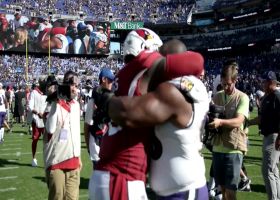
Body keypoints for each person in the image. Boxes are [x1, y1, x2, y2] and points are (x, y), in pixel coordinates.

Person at [88, 28, 204, 200]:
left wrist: (106, 101)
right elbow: (196, 60)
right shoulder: (147, 68)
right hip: (123, 175)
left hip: (111, 173)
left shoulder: (124, 74)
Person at [98, 75, 210, 199]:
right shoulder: (171, 88)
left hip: (184, 190)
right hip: (170, 189)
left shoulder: (175, 91)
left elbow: (128, 113)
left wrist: (106, 100)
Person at [208, 60, 250, 200]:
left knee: (231, 193)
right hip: (217, 148)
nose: (225, 87)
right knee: (223, 191)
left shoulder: (242, 97)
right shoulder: (217, 96)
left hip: (234, 149)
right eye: (223, 84)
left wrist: (220, 122)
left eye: (228, 84)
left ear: (235, 80)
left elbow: (239, 121)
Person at [44, 71, 82, 200]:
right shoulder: (53, 104)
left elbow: (76, 133)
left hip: (74, 162)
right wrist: (55, 101)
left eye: (76, 85)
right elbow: (50, 129)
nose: (74, 88)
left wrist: (79, 156)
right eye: (71, 84)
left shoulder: (76, 106)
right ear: (64, 85)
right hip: (57, 162)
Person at [249, 71, 280, 200]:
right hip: (268, 135)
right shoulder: (267, 97)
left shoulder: (277, 96)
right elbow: (261, 118)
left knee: (267, 170)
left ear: (271, 82)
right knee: (273, 170)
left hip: (274, 136)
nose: (262, 83)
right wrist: (247, 122)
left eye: (264, 81)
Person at [84, 68, 115, 168]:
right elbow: (87, 125)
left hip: (108, 141)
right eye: (110, 80)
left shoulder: (112, 97)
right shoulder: (93, 101)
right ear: (103, 79)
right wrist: (88, 146)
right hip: (96, 140)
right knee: (98, 169)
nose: (111, 83)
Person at [28, 77, 47, 167]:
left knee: (48, 140)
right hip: (36, 119)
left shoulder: (47, 92)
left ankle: (48, 159)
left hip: (46, 119)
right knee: (35, 139)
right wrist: (37, 112)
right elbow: (30, 106)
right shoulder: (34, 92)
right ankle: (34, 158)